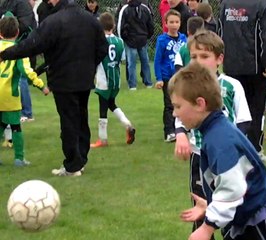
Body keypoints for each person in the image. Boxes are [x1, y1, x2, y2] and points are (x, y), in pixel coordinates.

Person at [170, 62, 266, 240]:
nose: (174, 114)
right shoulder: (214, 131)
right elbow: (231, 182)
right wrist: (210, 205)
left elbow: (232, 188)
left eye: (178, 106)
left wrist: (208, 227)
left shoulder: (219, 139)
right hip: (249, 223)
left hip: (261, 225)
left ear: (200, 104)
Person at [0, 0, 108, 176]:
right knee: (81, 118)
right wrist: (89, 65)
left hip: (63, 79)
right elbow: (102, 47)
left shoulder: (54, 21)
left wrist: (5, 54)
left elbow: (32, 44)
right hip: (84, 78)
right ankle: (80, 160)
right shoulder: (90, 19)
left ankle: (72, 165)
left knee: (69, 121)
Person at [174, 30, 251, 237]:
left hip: (227, 159)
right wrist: (181, 133)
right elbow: (180, 114)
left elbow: (244, 121)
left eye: (204, 56)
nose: (198, 62)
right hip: (199, 156)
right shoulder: (187, 89)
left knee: (229, 204)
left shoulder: (232, 86)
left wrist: (233, 149)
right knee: (201, 206)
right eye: (193, 57)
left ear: (219, 59)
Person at [218, 0, 266, 161]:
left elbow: (219, 33)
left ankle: (233, 148)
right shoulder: (262, 4)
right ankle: (255, 149)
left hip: (230, 66)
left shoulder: (226, 3)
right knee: (255, 110)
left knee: (232, 109)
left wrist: (221, 58)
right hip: (255, 68)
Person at [0, 16, 49, 166]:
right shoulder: (19, 51)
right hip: (10, 95)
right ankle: (19, 159)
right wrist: (42, 85)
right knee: (15, 127)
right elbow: (27, 71)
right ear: (17, 32)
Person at [90, 12, 136, 148]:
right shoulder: (120, 41)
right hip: (115, 78)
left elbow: (95, 59)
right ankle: (127, 124)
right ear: (114, 25)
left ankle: (102, 139)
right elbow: (122, 60)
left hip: (103, 79)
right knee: (111, 104)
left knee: (103, 109)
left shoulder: (98, 41)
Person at [0, 0, 37, 123]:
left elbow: (27, 25)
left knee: (21, 76)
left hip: (21, 45)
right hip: (6, 44)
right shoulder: (5, 4)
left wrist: (10, 29)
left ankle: (27, 112)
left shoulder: (22, 4)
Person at [154, 9, 186, 142]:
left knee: (183, 103)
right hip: (168, 77)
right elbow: (157, 60)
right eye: (171, 22)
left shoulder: (184, 38)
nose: (174, 24)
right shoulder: (162, 40)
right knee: (169, 104)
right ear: (166, 24)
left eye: (176, 22)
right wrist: (159, 78)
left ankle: (183, 129)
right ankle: (169, 131)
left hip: (182, 77)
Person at [117, 0, 154, 90]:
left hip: (132, 40)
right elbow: (151, 25)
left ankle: (133, 85)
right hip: (141, 39)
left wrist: (123, 38)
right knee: (145, 62)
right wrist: (147, 36)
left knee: (132, 63)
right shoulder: (145, 8)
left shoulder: (125, 9)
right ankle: (148, 82)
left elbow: (120, 27)